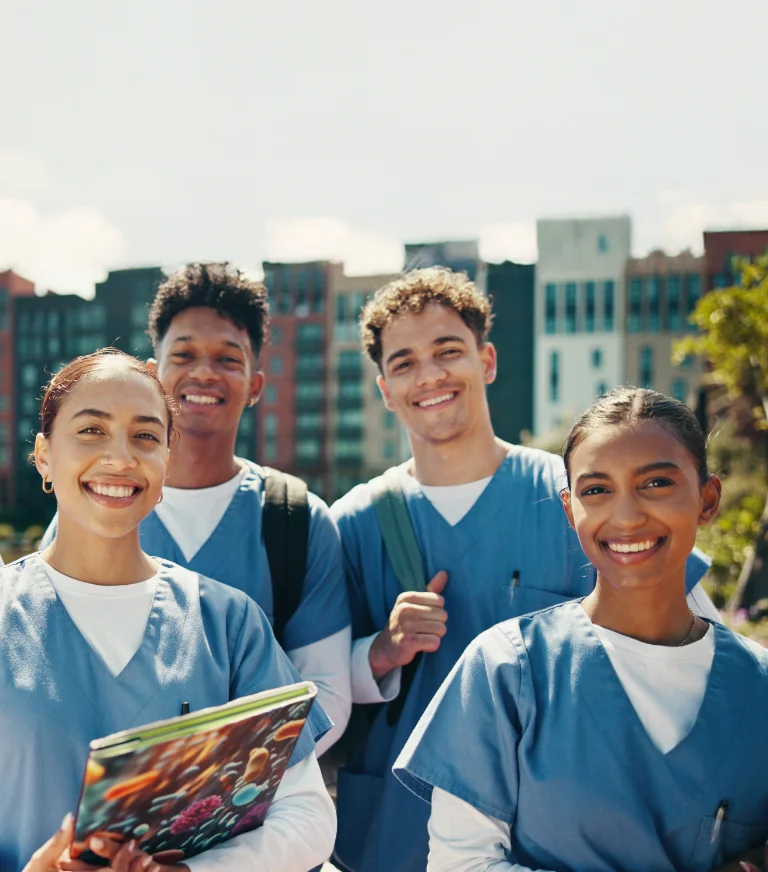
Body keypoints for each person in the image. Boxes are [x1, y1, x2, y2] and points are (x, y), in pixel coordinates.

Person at [330, 269, 719, 872]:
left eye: (448, 351)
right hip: (398, 833)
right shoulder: (352, 522)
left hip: (558, 835)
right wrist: (380, 652)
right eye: (404, 362)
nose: (429, 375)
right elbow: (317, 681)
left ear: (486, 361)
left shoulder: (575, 495)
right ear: (385, 389)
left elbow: (700, 647)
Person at [394, 387, 768, 872]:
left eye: (656, 483)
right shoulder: (507, 669)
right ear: (570, 512)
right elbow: (460, 864)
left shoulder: (758, 685)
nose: (627, 517)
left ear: (708, 499)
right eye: (596, 490)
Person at [4, 350, 335, 872]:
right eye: (91, 431)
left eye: (145, 436)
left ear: (166, 457)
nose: (120, 458)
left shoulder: (228, 624)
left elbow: (306, 814)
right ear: (44, 455)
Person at [42, 263, 351, 756]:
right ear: (153, 374)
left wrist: (203, 784)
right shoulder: (90, 507)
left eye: (227, 359)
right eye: (184, 354)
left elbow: (326, 697)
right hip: (99, 796)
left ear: (255, 385)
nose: (204, 373)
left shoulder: (296, 521)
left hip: (242, 795)